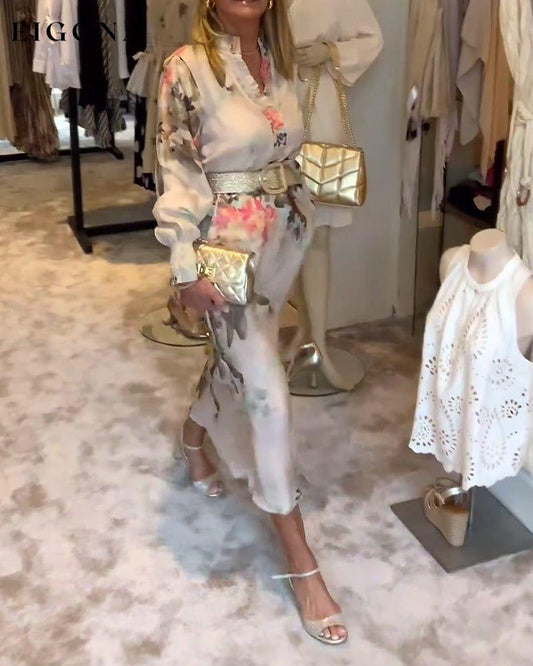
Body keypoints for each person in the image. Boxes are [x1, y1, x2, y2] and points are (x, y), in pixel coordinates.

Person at [153, 0, 348, 645]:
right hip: (224, 250)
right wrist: (185, 266)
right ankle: (300, 559)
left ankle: (192, 438)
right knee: (267, 390)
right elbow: (178, 168)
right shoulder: (187, 68)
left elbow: (287, 148)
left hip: (284, 240)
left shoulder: (283, 63)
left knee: (238, 364)